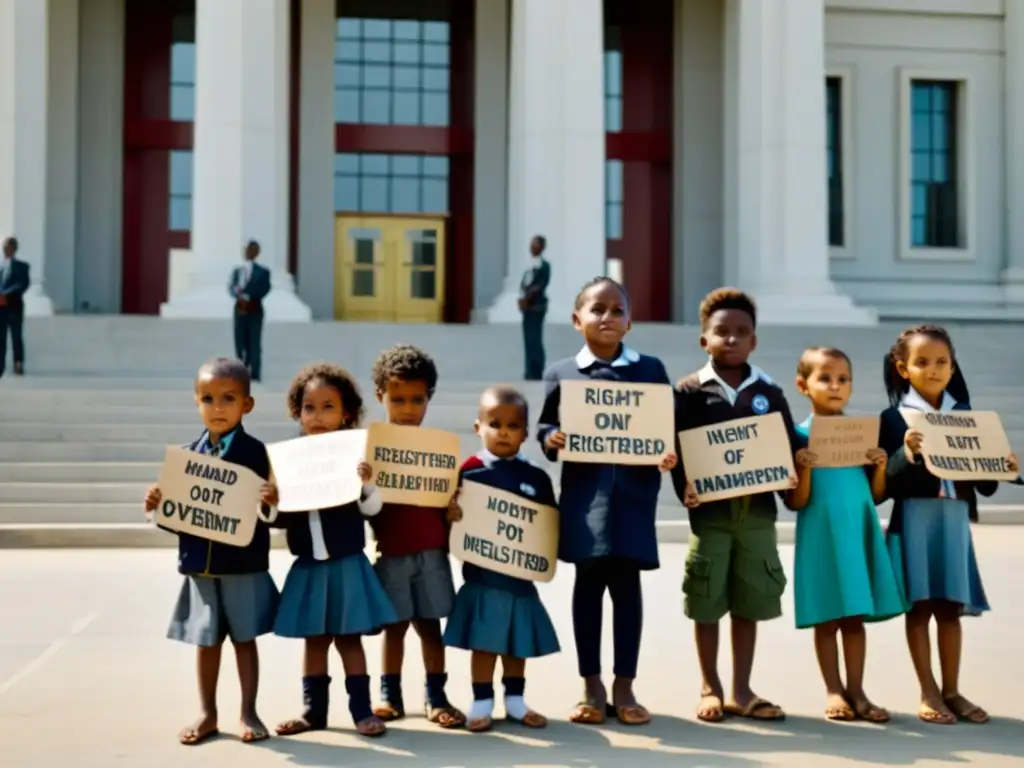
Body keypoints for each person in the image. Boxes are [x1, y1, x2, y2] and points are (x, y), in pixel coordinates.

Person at [536, 276, 677, 726]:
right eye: (597, 310)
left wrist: (667, 451)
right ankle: (591, 683)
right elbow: (542, 428)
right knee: (588, 587)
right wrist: (551, 438)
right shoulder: (562, 372)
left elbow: (664, 427)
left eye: (617, 310)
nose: (608, 318)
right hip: (586, 498)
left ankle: (624, 683)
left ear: (630, 321)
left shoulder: (650, 370)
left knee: (628, 589)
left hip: (634, 498)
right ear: (577, 320)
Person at [670, 287, 799, 723]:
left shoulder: (769, 393)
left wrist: (791, 478)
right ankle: (710, 687)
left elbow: (783, 448)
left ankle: (741, 690)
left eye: (741, 332)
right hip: (710, 519)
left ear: (754, 341)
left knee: (750, 602)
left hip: (758, 517)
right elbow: (677, 450)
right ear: (703, 339)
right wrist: (682, 483)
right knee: (706, 602)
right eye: (721, 332)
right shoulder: (687, 392)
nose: (731, 340)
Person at [880, 324, 1019, 725]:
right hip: (915, 518)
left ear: (953, 366)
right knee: (920, 607)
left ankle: (953, 690)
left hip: (955, 519)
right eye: (922, 362)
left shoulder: (966, 418)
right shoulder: (894, 419)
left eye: (942, 362)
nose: (934, 369)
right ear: (903, 369)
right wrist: (905, 454)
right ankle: (928, 691)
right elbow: (883, 486)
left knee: (950, 609)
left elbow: (986, 485)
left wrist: (1005, 466)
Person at [143, 357, 279, 745]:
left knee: (244, 638)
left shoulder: (257, 455)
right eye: (207, 398)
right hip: (201, 567)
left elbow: (268, 515)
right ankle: (207, 713)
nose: (217, 407)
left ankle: (248, 710)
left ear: (247, 405)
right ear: (196, 402)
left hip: (242, 565)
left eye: (228, 398)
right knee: (206, 640)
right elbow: (176, 517)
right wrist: (157, 504)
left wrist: (271, 500)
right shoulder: (187, 458)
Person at [264, 363, 397, 738]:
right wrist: (272, 501)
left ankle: (362, 711)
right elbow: (276, 520)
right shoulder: (288, 461)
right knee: (315, 639)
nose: (317, 416)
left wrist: (367, 485)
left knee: (349, 638)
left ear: (346, 414)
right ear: (297, 412)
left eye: (327, 407)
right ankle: (313, 712)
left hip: (346, 566)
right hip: (309, 566)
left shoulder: (352, 457)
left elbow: (372, 511)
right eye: (309, 408)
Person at [788, 347, 904, 723]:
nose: (835, 386)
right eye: (825, 378)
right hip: (821, 532)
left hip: (857, 531)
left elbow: (876, 494)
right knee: (827, 615)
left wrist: (881, 466)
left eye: (843, 379)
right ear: (803, 385)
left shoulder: (860, 436)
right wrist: (803, 468)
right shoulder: (798, 436)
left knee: (854, 615)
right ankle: (833, 689)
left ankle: (857, 689)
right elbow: (796, 500)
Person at [444, 386, 560, 733]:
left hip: (520, 580)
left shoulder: (536, 478)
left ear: (526, 433)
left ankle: (515, 701)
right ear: (478, 427)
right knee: (484, 642)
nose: (504, 432)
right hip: (482, 579)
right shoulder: (468, 472)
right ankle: (481, 702)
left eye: (513, 425)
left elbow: (547, 524)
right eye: (495, 423)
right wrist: (451, 513)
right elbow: (451, 520)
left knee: (516, 643)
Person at [368, 344, 466, 729]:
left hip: (432, 551)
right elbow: (364, 505)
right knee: (393, 627)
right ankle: (389, 695)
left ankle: (436, 695)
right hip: (391, 551)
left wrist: (454, 511)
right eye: (398, 399)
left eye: (417, 400)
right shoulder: (372, 451)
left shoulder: (441, 452)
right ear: (381, 397)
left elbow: (451, 503)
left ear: (429, 399)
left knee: (430, 627)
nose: (408, 409)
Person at [229, 240, 271, 383]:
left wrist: (249, 296)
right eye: (246, 249)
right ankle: (241, 369)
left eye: (251, 250)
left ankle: (255, 372)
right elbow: (231, 287)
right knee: (240, 341)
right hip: (239, 309)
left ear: (257, 253)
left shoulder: (263, 272)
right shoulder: (238, 270)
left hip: (254, 309)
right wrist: (237, 294)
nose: (248, 252)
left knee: (254, 342)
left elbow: (265, 288)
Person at [519, 235, 550, 380]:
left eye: (535, 245)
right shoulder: (528, 266)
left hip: (537, 307)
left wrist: (528, 298)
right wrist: (521, 299)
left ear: (541, 248)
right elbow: (523, 284)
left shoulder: (544, 266)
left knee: (536, 339)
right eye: (531, 244)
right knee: (527, 340)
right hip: (526, 308)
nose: (531, 247)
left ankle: (537, 370)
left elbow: (540, 286)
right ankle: (528, 370)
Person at [0, 236, 30, 377]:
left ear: (15, 249)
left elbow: (23, 284)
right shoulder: (0, 266)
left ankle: (18, 363)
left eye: (10, 248)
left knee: (16, 337)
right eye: (5, 247)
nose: (7, 250)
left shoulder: (22, 266)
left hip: (14, 307)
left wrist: (7, 293)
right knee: (1, 338)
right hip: (1, 308)